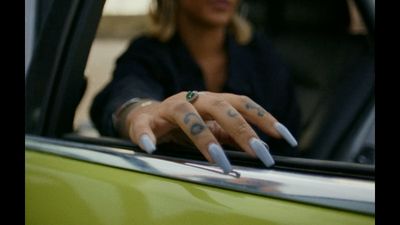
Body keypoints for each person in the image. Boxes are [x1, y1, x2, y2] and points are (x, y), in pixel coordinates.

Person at [90, 0, 300, 174]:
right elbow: (126, 89)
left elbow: (288, 143)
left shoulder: (261, 54)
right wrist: (141, 112)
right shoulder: (147, 51)